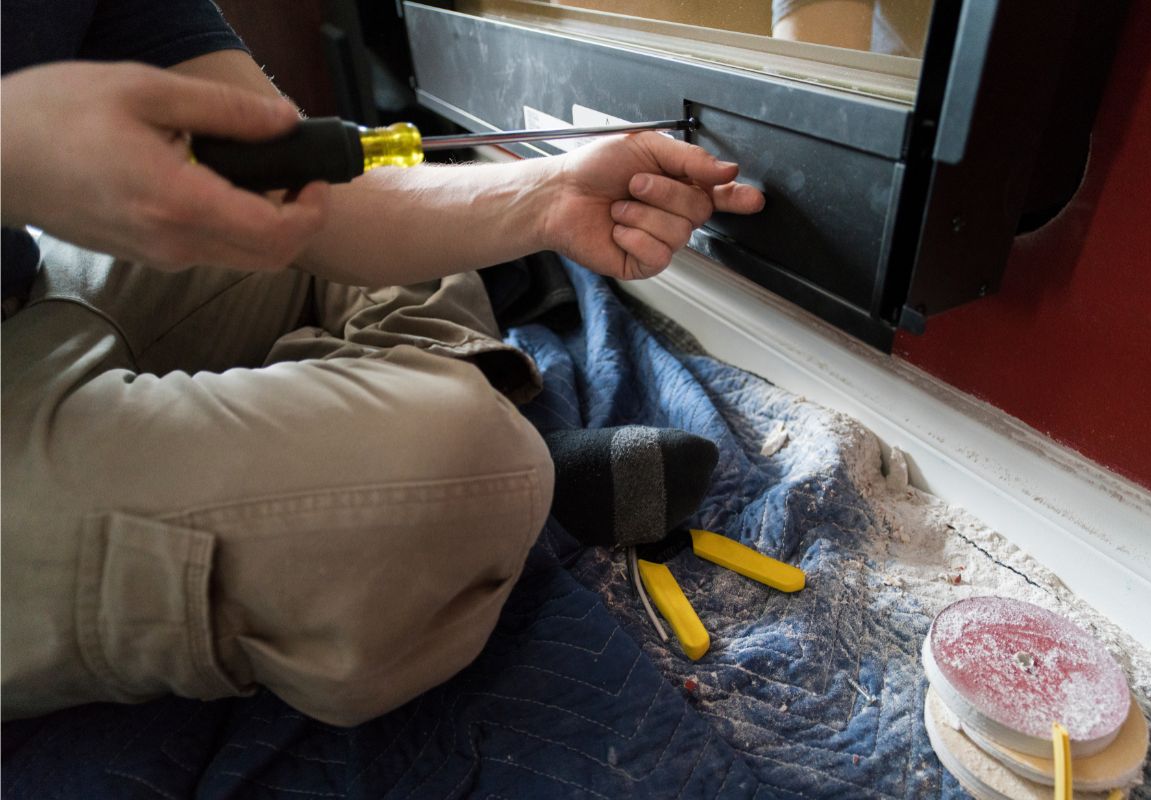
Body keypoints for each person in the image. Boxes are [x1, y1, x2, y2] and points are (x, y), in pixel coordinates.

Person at [0, 1, 765, 726]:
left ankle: (409, 467)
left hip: (33, 292)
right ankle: (464, 475)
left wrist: (548, 195)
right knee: (457, 458)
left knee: (360, 202)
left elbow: (311, 191)